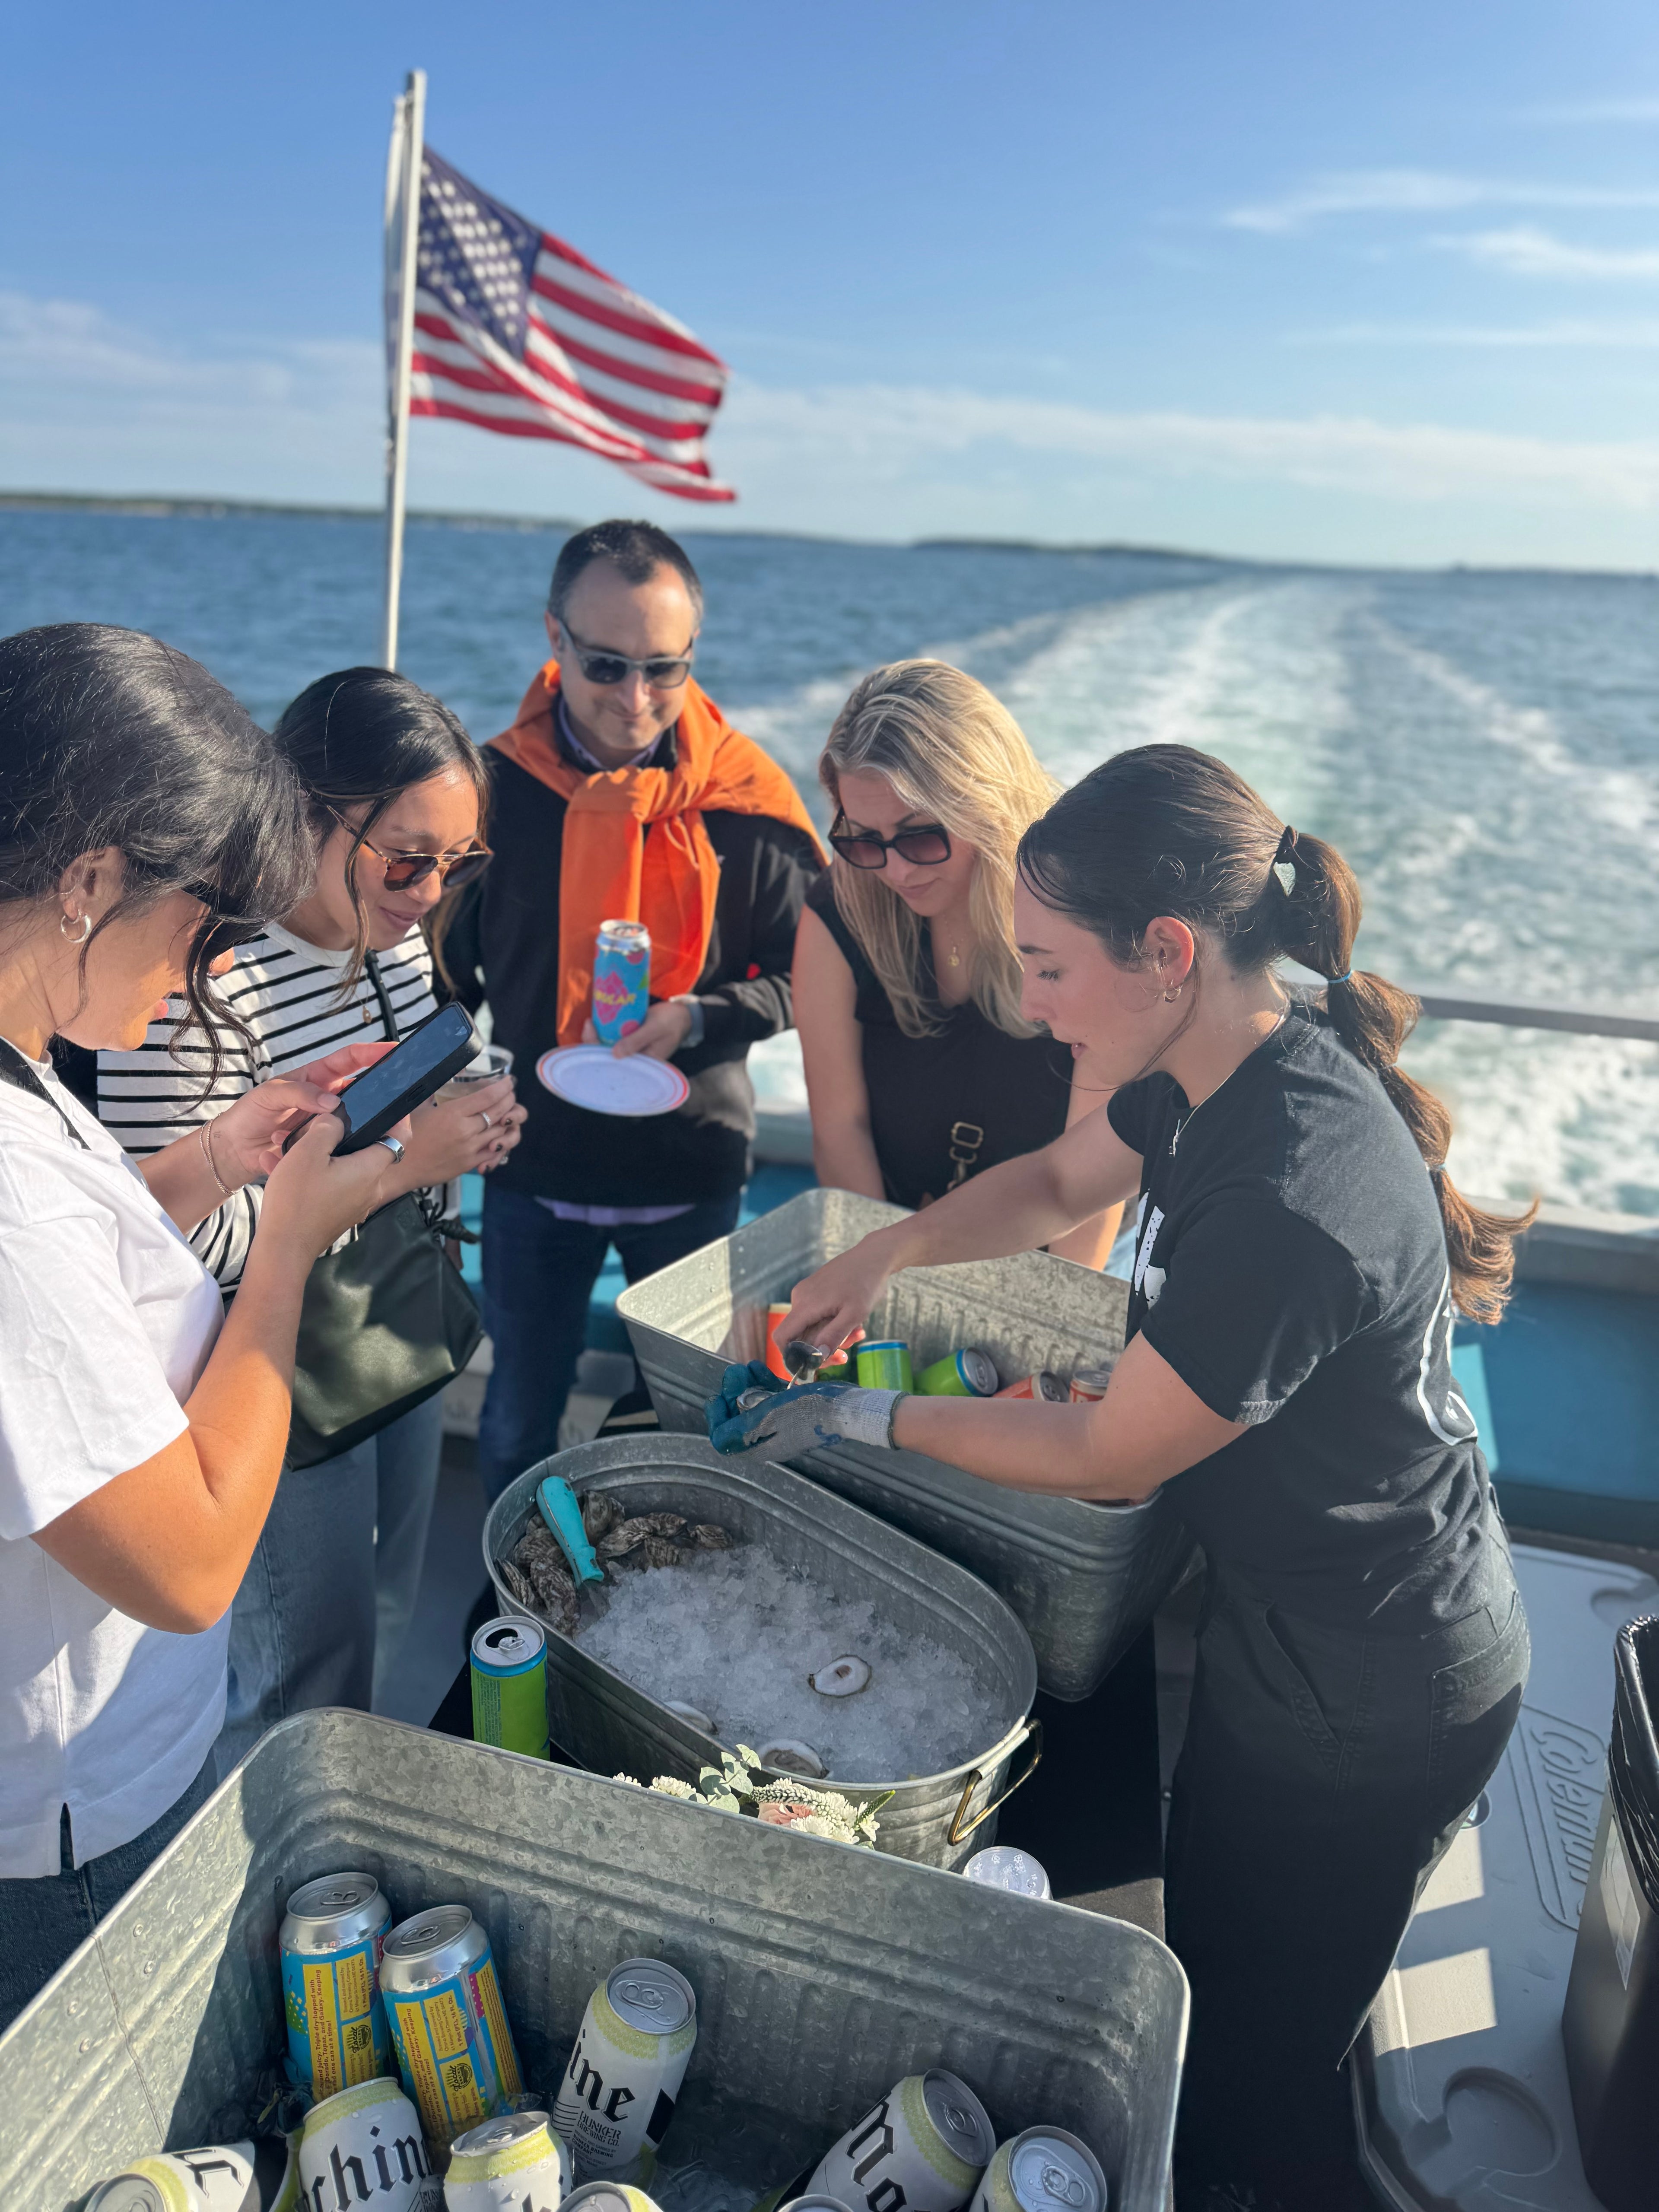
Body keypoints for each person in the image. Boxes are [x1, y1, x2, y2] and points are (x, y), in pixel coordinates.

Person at [708, 743, 1532, 2210]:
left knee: (1254, 2088)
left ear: (1167, 954)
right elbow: (1048, 1186)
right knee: (1204, 1973)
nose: (1028, 1006)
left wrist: (860, 1426)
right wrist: (885, 1251)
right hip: (1291, 1638)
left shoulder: (1291, 1188)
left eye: (1047, 969)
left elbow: (1106, 1450)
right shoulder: (1215, 1070)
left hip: (1376, 1682)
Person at [0, 625, 402, 2028]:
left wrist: (217, 1163)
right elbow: (188, 1559)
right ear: (92, 879)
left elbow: (80, 1282)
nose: (207, 978)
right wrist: (285, 1245)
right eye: (204, 929)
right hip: (56, 1825)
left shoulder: (25, 1062)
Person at [98, 669, 524, 1767]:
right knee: (295, 1674)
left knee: (380, 1606)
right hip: (265, 1364)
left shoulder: (389, 938)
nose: (430, 890)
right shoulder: (196, 972)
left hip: (389, 1322)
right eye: (405, 855)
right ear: (304, 810)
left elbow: (398, 1113)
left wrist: (460, 1126)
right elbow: (175, 1241)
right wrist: (400, 1163)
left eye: (455, 860)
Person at [440, 519, 823, 1501]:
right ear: (553, 639)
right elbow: (441, 984)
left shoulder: (750, 803)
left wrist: (700, 1019)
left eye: (667, 667)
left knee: (699, 1425)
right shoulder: (490, 796)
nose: (637, 699)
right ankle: (514, 1616)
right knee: (520, 1412)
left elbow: (806, 981)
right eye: (607, 665)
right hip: (530, 1166)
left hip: (691, 1175)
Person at [796, 659, 1119, 1264]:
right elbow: (840, 1129)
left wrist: (1048, 1338)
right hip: (883, 1248)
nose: (894, 870)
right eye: (863, 838)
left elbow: (1094, 1182)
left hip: (1048, 1261)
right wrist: (878, 1284)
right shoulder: (840, 908)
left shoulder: (1086, 925)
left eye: (921, 835)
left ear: (985, 803)